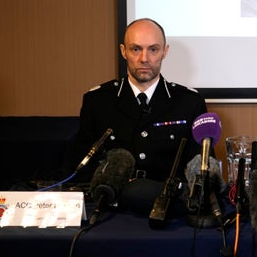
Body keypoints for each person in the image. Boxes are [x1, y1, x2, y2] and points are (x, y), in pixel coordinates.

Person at [69, 18, 209, 199]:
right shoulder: (97, 102)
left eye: (153, 49)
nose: (144, 58)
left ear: (164, 52)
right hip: (113, 207)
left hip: (169, 207)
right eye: (136, 49)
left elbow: (201, 170)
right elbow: (82, 168)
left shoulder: (190, 103)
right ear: (123, 51)